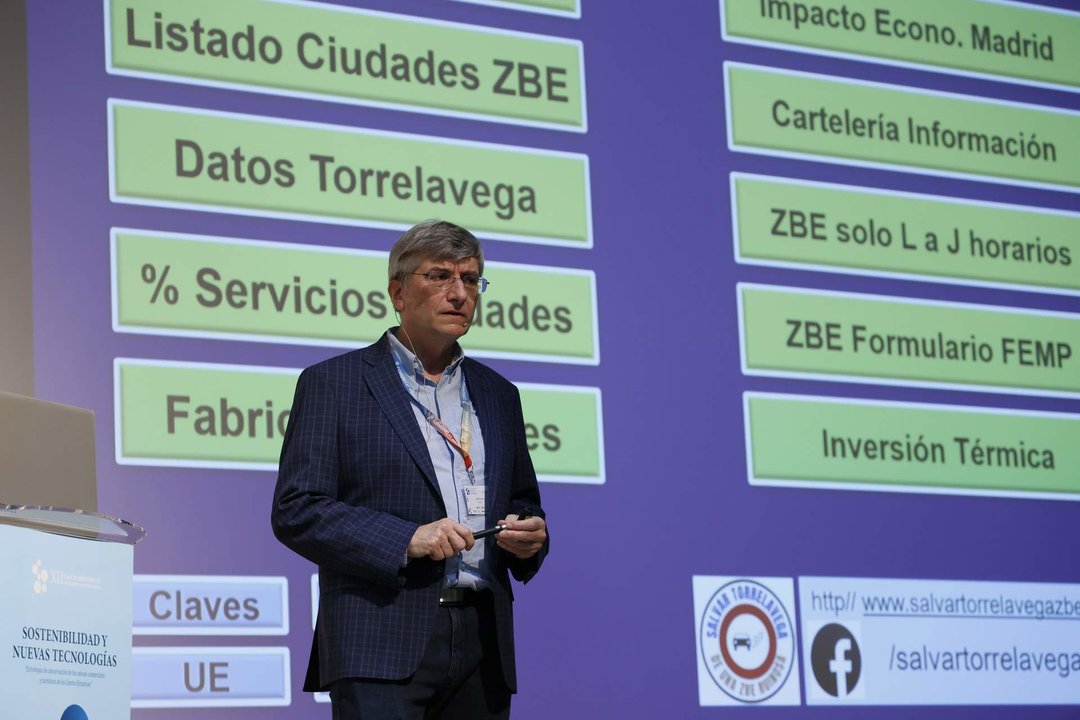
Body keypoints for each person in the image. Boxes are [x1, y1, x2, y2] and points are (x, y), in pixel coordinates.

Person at [271, 220, 549, 719]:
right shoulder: (334, 384)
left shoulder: (499, 394)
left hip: (482, 644)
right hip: (380, 641)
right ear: (398, 291)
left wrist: (530, 536)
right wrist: (406, 539)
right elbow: (297, 510)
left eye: (470, 279)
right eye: (440, 276)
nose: (459, 293)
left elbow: (522, 500)